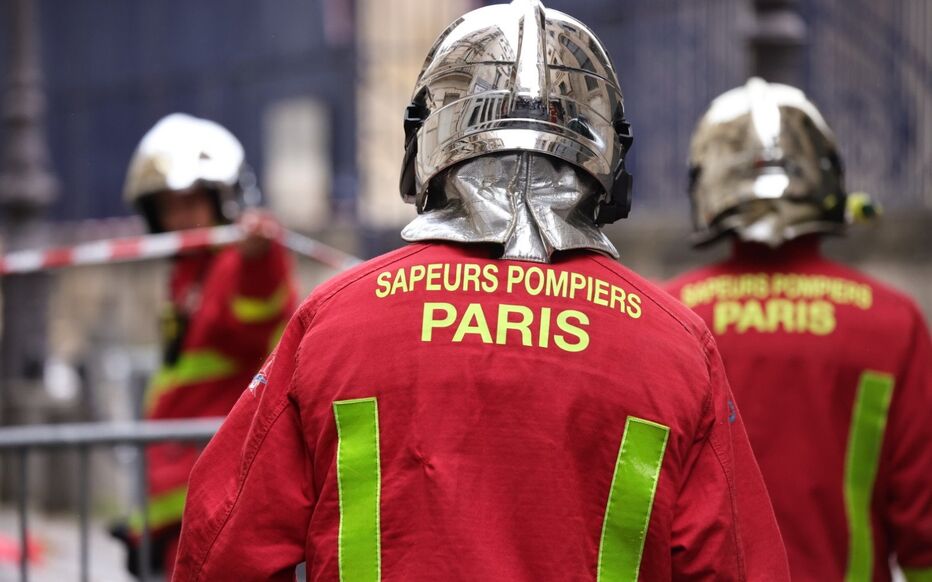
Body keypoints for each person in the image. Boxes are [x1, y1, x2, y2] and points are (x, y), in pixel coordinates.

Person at [173, 2, 789, 580]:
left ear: (425, 143)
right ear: (607, 157)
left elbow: (221, 541)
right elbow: (736, 563)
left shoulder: (335, 321)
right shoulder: (673, 345)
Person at [665, 78, 932, 581]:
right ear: (828, 181)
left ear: (707, 187)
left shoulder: (670, 317)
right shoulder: (892, 322)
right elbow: (923, 520)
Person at [112, 113, 297, 577]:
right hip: (181, 501)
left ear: (225, 203)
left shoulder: (235, 266)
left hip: (216, 496)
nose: (181, 219)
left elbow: (257, 309)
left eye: (192, 204)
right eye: (169, 207)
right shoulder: (185, 278)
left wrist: (261, 256)